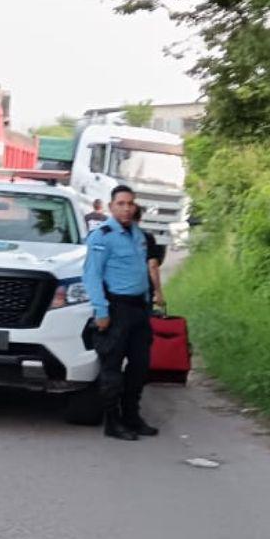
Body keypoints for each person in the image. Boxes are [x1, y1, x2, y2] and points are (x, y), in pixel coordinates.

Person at [82, 184, 165, 441]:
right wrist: (101, 310)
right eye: (121, 204)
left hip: (139, 310)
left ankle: (132, 415)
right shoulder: (102, 237)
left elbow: (143, 272)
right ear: (111, 206)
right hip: (115, 309)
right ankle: (112, 421)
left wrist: (149, 302)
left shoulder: (139, 235)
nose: (127, 208)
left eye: (130, 204)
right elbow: (92, 276)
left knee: (140, 366)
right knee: (112, 368)